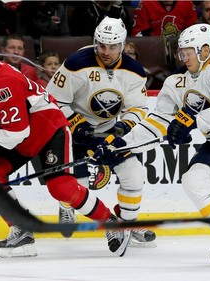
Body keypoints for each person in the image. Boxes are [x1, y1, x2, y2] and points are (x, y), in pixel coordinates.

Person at [94, 23, 210, 267]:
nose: (184, 57)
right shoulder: (176, 82)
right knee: (194, 180)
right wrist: (121, 144)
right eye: (182, 52)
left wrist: (189, 121)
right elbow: (158, 122)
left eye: (188, 52)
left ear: (205, 49)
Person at [0, 38, 131, 258]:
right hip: (23, 132)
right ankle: (21, 229)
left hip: (49, 129)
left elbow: (16, 131)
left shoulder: (6, 81)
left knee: (62, 188)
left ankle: (111, 223)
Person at [46, 17, 156, 246]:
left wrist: (124, 126)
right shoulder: (76, 64)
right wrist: (76, 123)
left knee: (134, 174)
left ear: (122, 45)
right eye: (102, 45)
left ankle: (128, 224)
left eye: (113, 46)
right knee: (78, 187)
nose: (106, 51)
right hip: (73, 132)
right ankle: (66, 205)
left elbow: (138, 108)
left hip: (108, 133)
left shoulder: (135, 72)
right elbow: (53, 99)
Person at [131, 0, 197, 37]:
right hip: (154, 50)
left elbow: (193, 32)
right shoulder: (146, 4)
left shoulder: (187, 4)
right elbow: (138, 35)